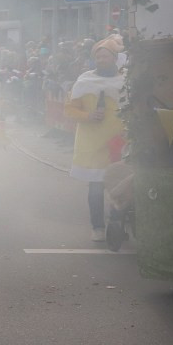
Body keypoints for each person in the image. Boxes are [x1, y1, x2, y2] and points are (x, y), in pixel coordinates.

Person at [64, 36, 126, 242]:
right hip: (92, 144)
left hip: (118, 144)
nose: (101, 59)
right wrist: (88, 116)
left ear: (115, 58)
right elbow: (69, 109)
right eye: (98, 56)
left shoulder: (124, 81)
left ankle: (117, 225)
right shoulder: (84, 80)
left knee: (120, 188)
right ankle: (97, 227)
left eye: (105, 55)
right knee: (96, 188)